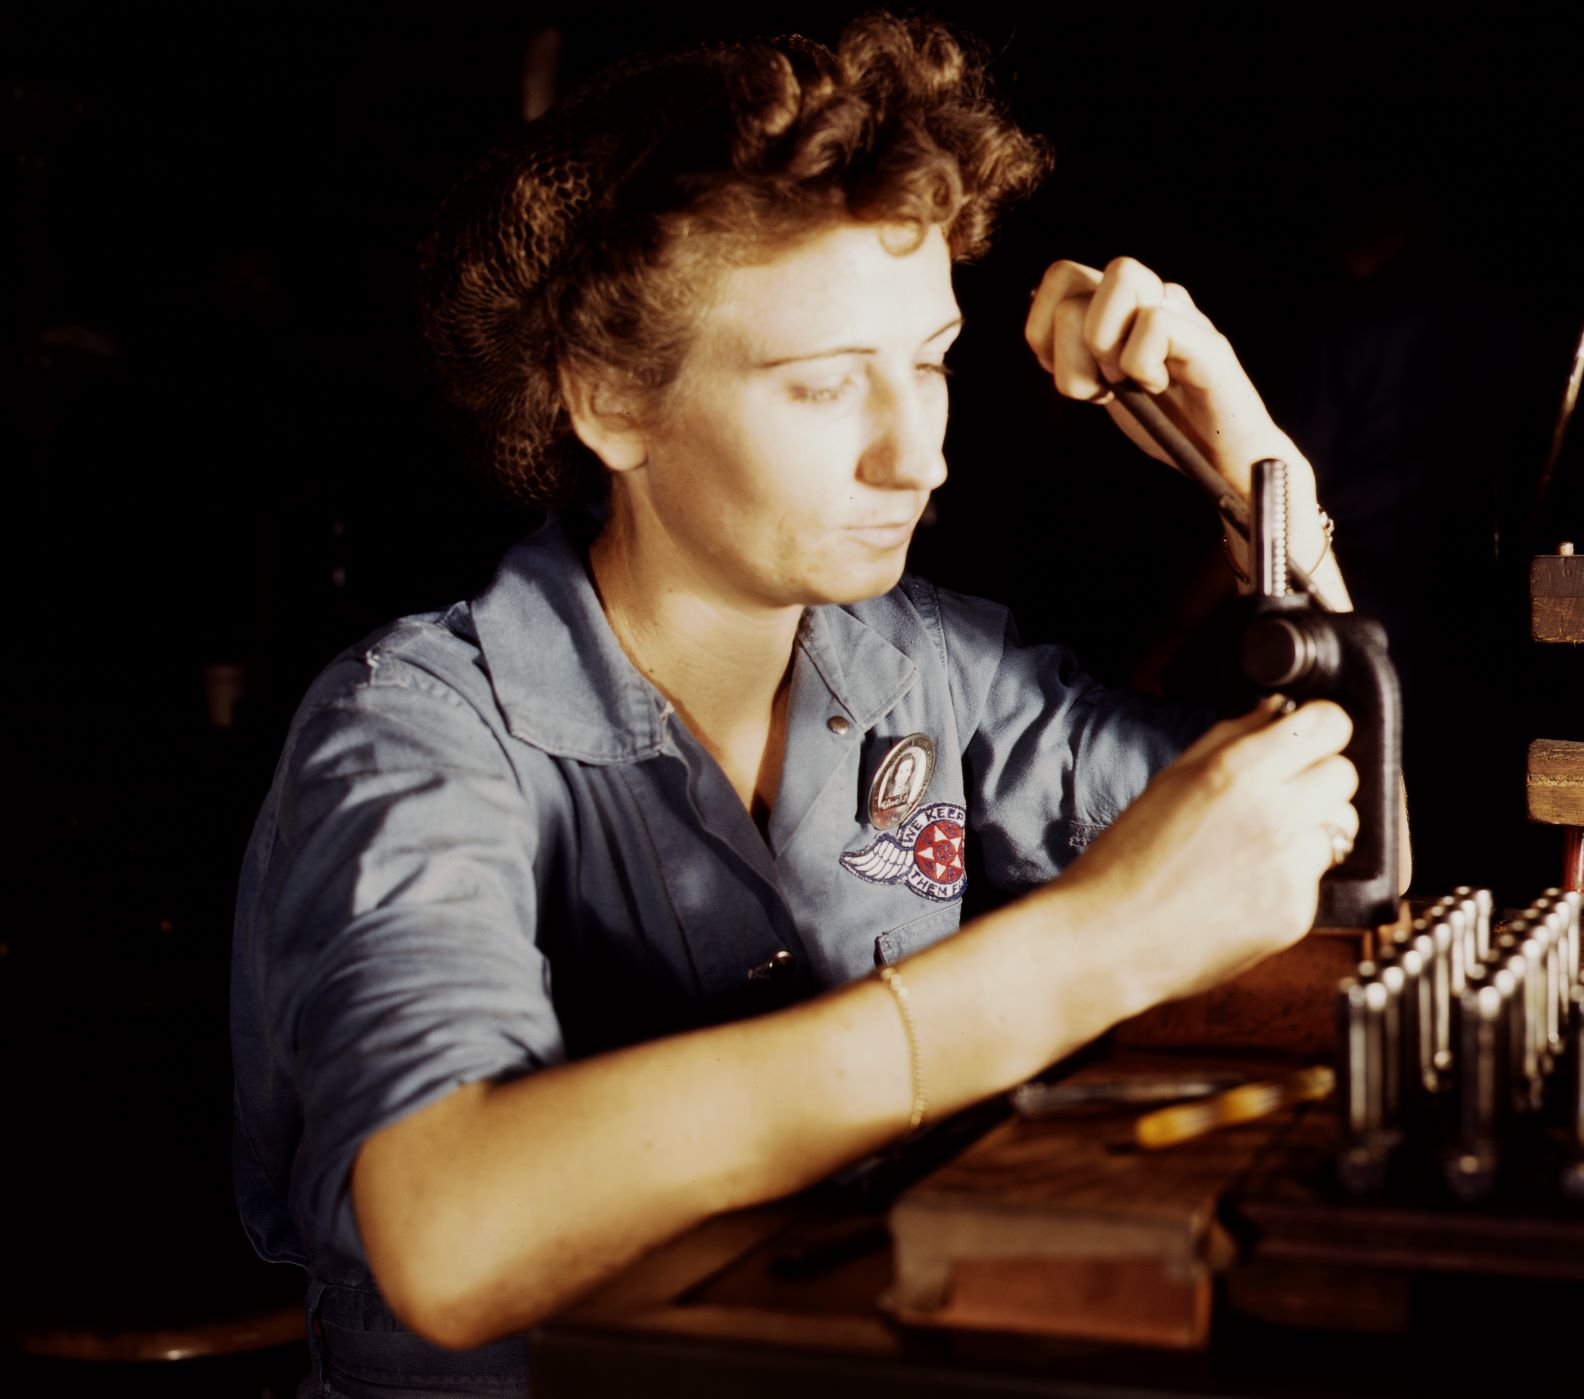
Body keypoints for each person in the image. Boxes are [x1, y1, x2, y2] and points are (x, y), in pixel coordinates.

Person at [230, 14, 1388, 1397]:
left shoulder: (936, 673)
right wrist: (1089, 952)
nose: (919, 454)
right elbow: (450, 1233)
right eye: (828, 384)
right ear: (609, 400)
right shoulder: (412, 733)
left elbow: (1332, 868)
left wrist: (1258, 480)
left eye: (932, 360)